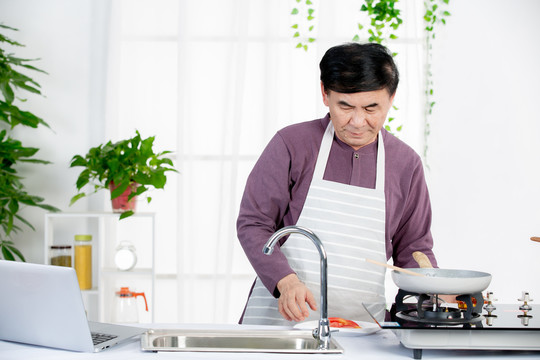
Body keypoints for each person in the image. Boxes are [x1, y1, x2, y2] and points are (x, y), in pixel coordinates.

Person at [237, 42, 438, 325]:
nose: (358, 121)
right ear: (325, 94)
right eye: (344, 106)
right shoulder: (292, 144)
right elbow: (254, 223)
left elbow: (414, 248)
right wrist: (285, 281)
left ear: (391, 98)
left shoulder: (406, 164)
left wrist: (436, 293)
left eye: (371, 108)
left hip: (363, 328)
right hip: (280, 323)